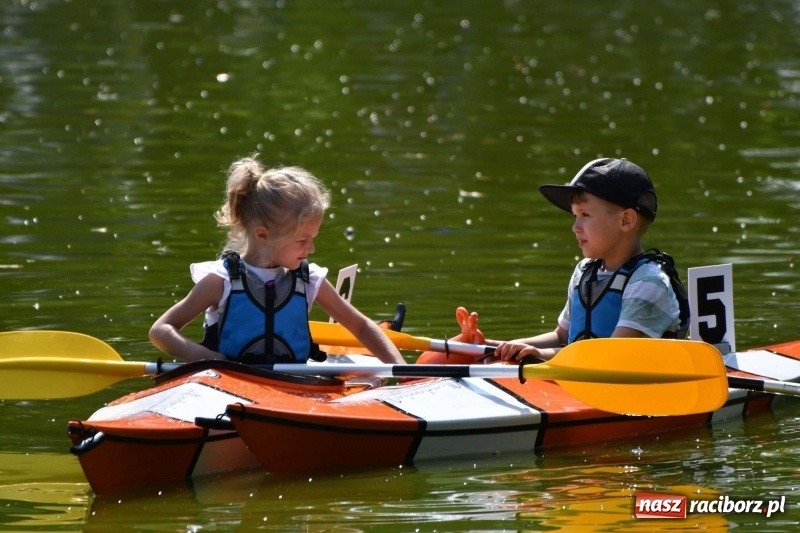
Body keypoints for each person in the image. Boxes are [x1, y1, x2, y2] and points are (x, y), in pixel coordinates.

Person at [149, 155, 406, 365]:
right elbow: (161, 331)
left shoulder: (309, 280)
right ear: (264, 234)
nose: (312, 248)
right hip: (227, 384)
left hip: (293, 387)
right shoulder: (222, 281)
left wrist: (401, 371)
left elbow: (361, 327)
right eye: (302, 240)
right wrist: (208, 359)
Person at [482, 158, 687, 363]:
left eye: (585, 214)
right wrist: (493, 347)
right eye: (575, 216)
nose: (575, 227)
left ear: (626, 220)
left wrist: (540, 356)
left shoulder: (648, 283)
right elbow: (561, 337)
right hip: (581, 379)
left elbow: (614, 356)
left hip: (630, 389)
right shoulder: (585, 271)